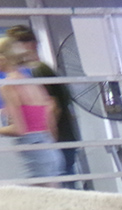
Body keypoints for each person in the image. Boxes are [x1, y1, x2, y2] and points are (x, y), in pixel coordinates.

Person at [6, 24, 80, 188]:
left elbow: (52, 108)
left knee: (60, 193)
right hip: (56, 141)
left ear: (29, 45)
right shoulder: (33, 72)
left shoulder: (37, 71)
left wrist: (48, 143)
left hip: (55, 141)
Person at [0, 36, 64, 186]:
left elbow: (20, 129)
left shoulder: (9, 86)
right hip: (50, 150)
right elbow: (50, 115)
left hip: (33, 152)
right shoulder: (32, 83)